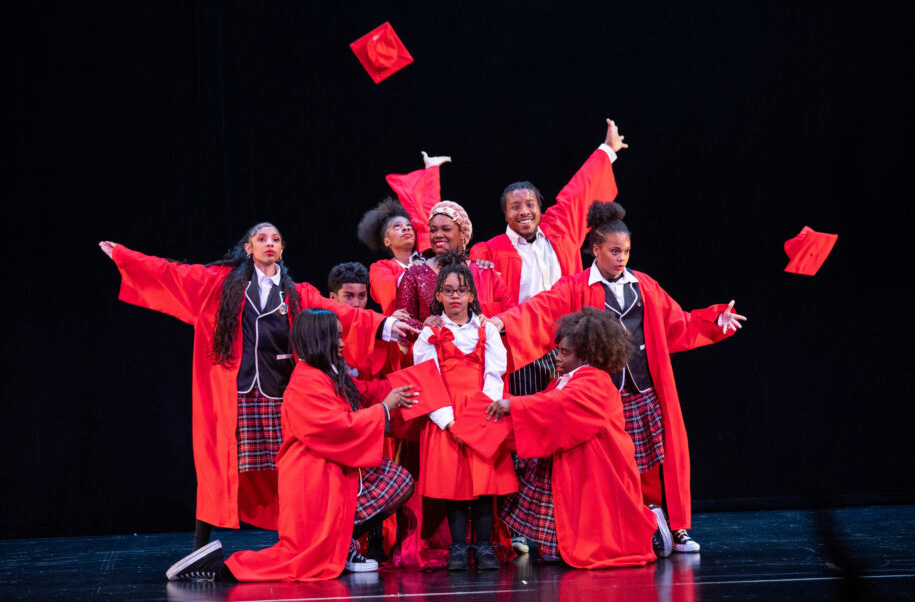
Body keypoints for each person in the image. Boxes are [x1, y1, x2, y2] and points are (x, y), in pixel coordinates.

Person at [99, 224, 417, 550]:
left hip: (278, 396)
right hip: (233, 398)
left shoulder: (295, 293)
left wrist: (385, 324)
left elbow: (338, 312)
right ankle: (199, 546)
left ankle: (297, 538)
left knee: (289, 469)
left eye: (276, 239)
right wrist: (125, 258)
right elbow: (172, 274)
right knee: (219, 469)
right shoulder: (219, 286)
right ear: (248, 248)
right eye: (262, 239)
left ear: (282, 250)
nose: (269, 243)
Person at [489, 202, 746, 553]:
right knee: (613, 466)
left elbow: (678, 323)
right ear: (595, 250)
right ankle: (624, 528)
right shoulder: (577, 286)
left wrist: (714, 322)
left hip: (644, 388)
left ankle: (673, 527)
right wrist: (504, 321)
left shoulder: (645, 286)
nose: (621, 257)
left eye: (625, 251)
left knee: (654, 461)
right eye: (614, 251)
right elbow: (542, 308)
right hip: (602, 393)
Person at [165, 308, 419, 581]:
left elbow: (367, 391)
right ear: (319, 339)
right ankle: (219, 568)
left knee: (397, 481)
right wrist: (383, 409)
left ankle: (341, 543)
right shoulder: (306, 382)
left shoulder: (330, 374)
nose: (343, 344)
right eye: (336, 337)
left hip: (334, 473)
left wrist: (414, 388)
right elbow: (334, 427)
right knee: (298, 560)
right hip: (312, 481)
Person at [486, 307, 672, 567]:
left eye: (565, 353)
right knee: (548, 498)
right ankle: (555, 545)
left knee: (601, 523)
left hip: (598, 465)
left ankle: (651, 523)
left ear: (585, 355)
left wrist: (514, 406)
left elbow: (558, 405)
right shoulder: (566, 379)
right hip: (572, 460)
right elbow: (548, 402)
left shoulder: (594, 380)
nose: (558, 359)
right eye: (558, 351)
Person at [470, 117, 627, 395]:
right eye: (515, 206)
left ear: (540, 208)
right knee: (529, 415)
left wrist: (608, 150)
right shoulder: (488, 251)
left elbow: (581, 189)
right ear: (505, 214)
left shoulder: (560, 231)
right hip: (523, 349)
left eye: (530, 204)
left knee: (569, 417)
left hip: (571, 343)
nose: (524, 211)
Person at [410, 263, 516, 570]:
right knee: (452, 483)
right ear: (439, 296)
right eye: (448, 290)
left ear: (471, 295)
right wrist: (448, 420)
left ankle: (484, 546)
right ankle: (458, 546)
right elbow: (427, 380)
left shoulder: (486, 330)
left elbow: (495, 372)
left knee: (483, 482)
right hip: (446, 414)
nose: (455, 296)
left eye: (462, 290)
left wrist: (486, 408)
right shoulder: (430, 334)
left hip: (482, 411)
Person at [396, 203, 515, 333]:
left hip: (480, 351)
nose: (438, 235)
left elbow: (510, 316)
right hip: (432, 350)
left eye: (446, 229)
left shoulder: (484, 272)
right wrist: (424, 326)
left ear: (462, 232)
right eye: (433, 230)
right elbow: (403, 322)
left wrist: (491, 324)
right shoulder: (414, 274)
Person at [357, 153, 451, 315]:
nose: (406, 228)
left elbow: (429, 214)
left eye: (409, 225)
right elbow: (387, 291)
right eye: (397, 227)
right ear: (386, 241)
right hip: (407, 330)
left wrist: (432, 170)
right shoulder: (382, 267)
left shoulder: (430, 257)